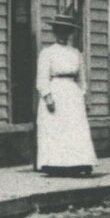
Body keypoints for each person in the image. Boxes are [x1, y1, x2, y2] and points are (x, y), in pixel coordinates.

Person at [36, 15, 98, 174]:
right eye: (59, 31)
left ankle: (79, 163)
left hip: (72, 94)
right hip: (55, 91)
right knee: (55, 127)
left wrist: (84, 97)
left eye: (66, 31)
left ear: (70, 33)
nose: (62, 35)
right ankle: (55, 164)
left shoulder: (75, 53)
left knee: (75, 128)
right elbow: (42, 77)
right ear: (54, 32)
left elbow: (82, 79)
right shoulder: (47, 53)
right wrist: (48, 97)